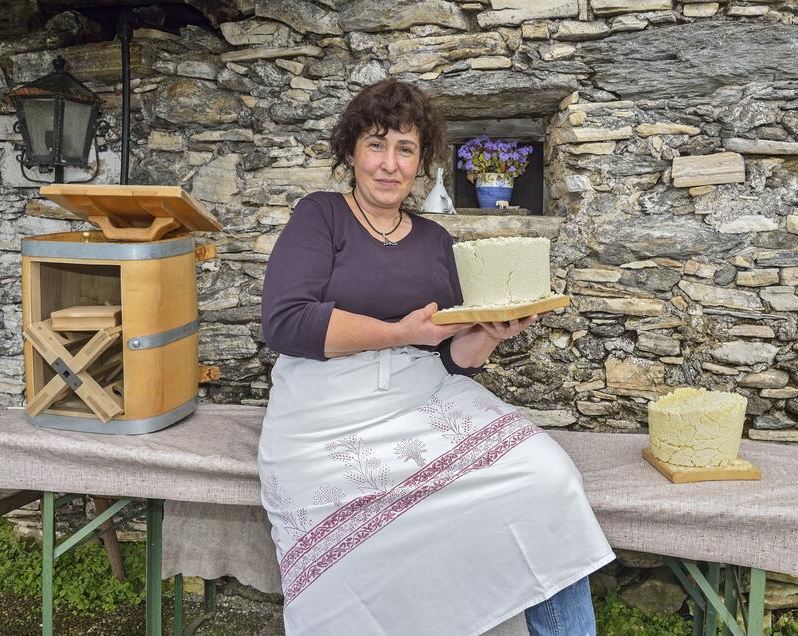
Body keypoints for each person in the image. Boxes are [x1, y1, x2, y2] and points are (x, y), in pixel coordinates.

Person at [259, 79, 615, 636]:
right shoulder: (320, 215)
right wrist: (396, 331)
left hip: (423, 396)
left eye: (406, 149)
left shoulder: (434, 240)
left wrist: (493, 333)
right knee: (363, 537)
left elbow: (449, 356)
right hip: (324, 412)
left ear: (422, 161)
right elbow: (286, 321)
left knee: (547, 478)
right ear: (351, 150)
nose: (389, 164)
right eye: (377, 144)